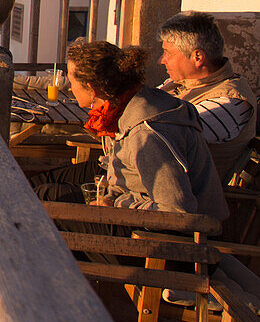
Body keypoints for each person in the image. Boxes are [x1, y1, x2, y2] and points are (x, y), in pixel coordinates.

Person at [34, 39, 227, 220]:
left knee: (47, 212)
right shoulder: (121, 106)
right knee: (41, 189)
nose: (68, 85)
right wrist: (112, 197)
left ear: (92, 89)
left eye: (71, 80)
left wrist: (117, 204)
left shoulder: (146, 134)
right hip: (132, 201)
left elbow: (176, 211)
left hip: (164, 239)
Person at [158, 11, 257, 183]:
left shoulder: (231, 101)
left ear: (197, 57)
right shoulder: (181, 83)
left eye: (168, 53)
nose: (162, 60)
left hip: (189, 201)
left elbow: (165, 136)